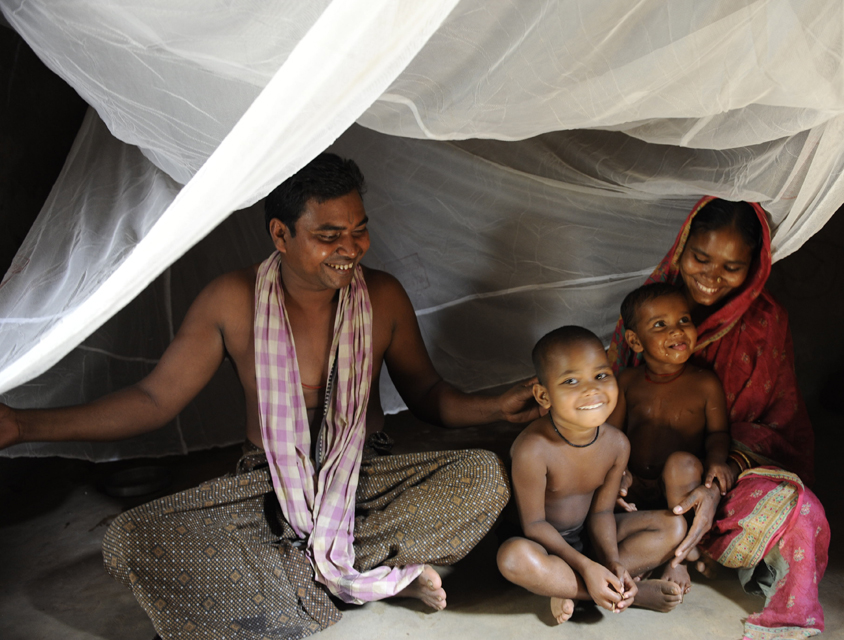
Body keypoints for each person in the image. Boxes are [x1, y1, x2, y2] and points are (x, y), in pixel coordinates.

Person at [0, 153, 540, 639]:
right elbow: (153, 399)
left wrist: (495, 406)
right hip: (266, 488)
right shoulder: (231, 300)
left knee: (481, 476)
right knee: (131, 540)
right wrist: (23, 427)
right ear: (281, 235)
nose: (350, 248)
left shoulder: (382, 295)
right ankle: (367, 574)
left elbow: (428, 394)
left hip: (363, 477)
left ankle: (300, 578)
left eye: (359, 230)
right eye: (329, 235)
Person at [608, 197, 830, 640]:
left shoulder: (765, 322)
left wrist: (719, 477)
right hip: (636, 477)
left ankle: (683, 552)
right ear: (682, 246)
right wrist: (616, 472)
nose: (710, 277)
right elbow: (610, 409)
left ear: (756, 266)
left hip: (721, 476)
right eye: (701, 258)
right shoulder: (647, 305)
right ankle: (633, 562)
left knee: (804, 512)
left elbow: (777, 424)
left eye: (732, 267)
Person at [496, 326, 685, 625]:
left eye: (601, 375)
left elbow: (600, 514)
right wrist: (587, 567)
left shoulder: (616, 444)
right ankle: (619, 593)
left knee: (673, 526)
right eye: (571, 380)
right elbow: (534, 525)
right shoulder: (533, 449)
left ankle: (593, 584)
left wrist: (611, 561)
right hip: (540, 544)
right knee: (512, 558)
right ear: (543, 396)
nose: (591, 389)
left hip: (587, 533)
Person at [607, 282, 734, 594]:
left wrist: (717, 460)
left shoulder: (704, 383)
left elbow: (718, 433)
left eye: (684, 321)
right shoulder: (628, 381)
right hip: (633, 484)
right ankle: (642, 556)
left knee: (682, 463)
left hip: (676, 491)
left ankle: (677, 560)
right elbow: (611, 435)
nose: (677, 331)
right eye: (660, 325)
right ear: (635, 341)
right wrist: (618, 473)